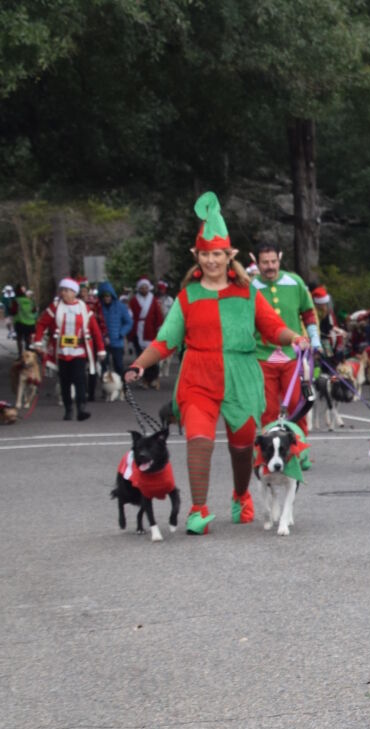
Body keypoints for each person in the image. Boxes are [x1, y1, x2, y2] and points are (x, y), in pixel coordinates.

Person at [123, 193, 308, 534]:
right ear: (197, 256)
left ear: (229, 256)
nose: (211, 261)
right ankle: (198, 510)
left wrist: (293, 338)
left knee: (242, 445)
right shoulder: (187, 296)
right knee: (198, 439)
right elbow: (166, 340)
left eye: (217, 254)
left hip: (241, 375)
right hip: (198, 374)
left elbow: (271, 327)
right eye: (205, 254)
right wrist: (139, 364)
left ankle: (240, 496)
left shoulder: (248, 292)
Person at [252, 240, 320, 439]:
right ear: (257, 263)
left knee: (297, 404)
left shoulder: (295, 282)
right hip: (262, 357)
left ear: (279, 258)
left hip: (293, 356)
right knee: (267, 408)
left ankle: (300, 448)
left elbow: (307, 312)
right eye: (265, 262)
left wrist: (315, 339)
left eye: (273, 261)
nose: (270, 266)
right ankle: (268, 450)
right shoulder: (249, 287)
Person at [33, 277, 106, 421]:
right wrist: (37, 341)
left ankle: (81, 408)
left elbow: (95, 329)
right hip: (61, 351)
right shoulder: (55, 307)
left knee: (79, 380)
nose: (64, 293)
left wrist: (101, 349)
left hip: (79, 350)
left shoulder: (84, 308)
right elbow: (41, 324)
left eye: (67, 290)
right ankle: (68, 409)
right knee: (65, 382)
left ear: (74, 292)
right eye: (62, 290)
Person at [128, 279, 167, 389]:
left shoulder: (153, 300)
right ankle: (144, 379)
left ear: (148, 288)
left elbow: (158, 315)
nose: (144, 289)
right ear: (138, 288)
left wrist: (160, 329)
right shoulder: (134, 301)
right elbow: (131, 317)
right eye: (142, 287)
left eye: (145, 287)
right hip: (138, 330)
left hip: (151, 331)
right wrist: (131, 334)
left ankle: (153, 378)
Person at [98, 283, 133, 379]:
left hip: (117, 341)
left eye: (108, 296)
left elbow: (128, 322)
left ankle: (122, 388)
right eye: (104, 296)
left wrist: (121, 333)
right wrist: (101, 337)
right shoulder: (99, 307)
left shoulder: (120, 307)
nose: (106, 298)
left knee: (119, 366)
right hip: (103, 341)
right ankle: (106, 391)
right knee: (104, 367)